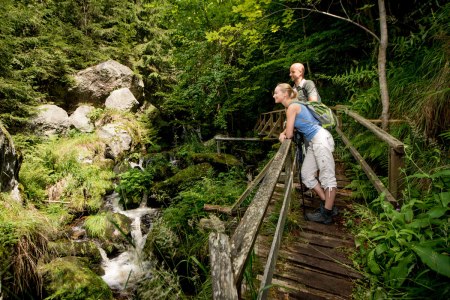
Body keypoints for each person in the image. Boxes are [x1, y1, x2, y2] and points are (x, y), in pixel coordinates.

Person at [273, 83, 337, 224]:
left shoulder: (292, 107)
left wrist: (284, 134)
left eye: (276, 93)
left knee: (328, 177)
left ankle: (326, 214)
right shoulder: (294, 106)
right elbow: (295, 126)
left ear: (284, 94)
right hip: (314, 142)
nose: (274, 95)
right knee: (307, 174)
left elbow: (290, 133)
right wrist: (284, 132)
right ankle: (327, 203)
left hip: (320, 140)